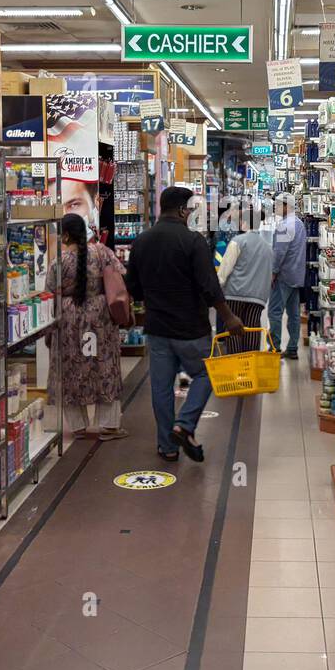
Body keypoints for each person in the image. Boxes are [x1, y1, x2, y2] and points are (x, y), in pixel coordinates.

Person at [126, 186, 243, 463]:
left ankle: (167, 446)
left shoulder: (141, 242)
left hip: (157, 328)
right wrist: (228, 317)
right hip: (191, 328)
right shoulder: (193, 242)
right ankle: (185, 424)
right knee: (207, 375)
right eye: (190, 209)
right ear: (181, 210)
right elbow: (208, 285)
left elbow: (134, 287)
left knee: (162, 388)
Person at [45, 213, 127, 440]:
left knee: (71, 369)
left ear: (66, 235)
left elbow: (50, 292)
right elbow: (121, 276)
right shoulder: (103, 252)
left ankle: (78, 426)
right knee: (105, 366)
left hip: (68, 319)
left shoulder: (57, 263)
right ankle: (109, 425)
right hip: (100, 318)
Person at [216, 198, 273, 352]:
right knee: (252, 329)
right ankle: (250, 364)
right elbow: (269, 275)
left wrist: (216, 290)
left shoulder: (238, 241)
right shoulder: (267, 247)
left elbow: (224, 269)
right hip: (258, 298)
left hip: (235, 294)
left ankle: (236, 367)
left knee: (234, 331)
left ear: (245, 223)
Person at [268, 191, 307, 360]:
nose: (275, 207)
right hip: (297, 275)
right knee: (294, 314)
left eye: (277, 204)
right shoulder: (299, 224)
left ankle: (275, 348)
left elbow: (279, 252)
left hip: (284, 276)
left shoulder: (284, 225)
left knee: (275, 312)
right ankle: (292, 348)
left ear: (286, 206)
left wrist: (273, 272)